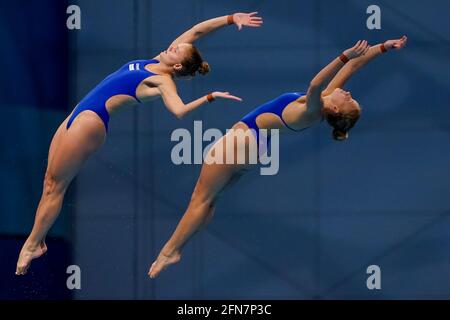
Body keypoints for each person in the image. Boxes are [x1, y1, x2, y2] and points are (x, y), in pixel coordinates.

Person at [15, 12, 264, 275]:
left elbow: (179, 111)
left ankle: (32, 245)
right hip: (79, 113)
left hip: (90, 121)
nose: (175, 45)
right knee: (49, 180)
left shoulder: (163, 81)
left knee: (55, 186)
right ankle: (37, 239)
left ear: (178, 66)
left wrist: (209, 97)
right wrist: (229, 18)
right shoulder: (156, 61)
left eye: (178, 50)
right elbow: (196, 31)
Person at [148, 36, 408, 278]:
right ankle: (177, 248)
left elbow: (317, 82)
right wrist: (384, 47)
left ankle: (169, 252)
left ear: (337, 109)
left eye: (350, 99)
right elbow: (354, 67)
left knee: (200, 197)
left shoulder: (314, 107)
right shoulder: (324, 102)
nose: (349, 93)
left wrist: (342, 55)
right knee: (210, 201)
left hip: (244, 140)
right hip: (255, 146)